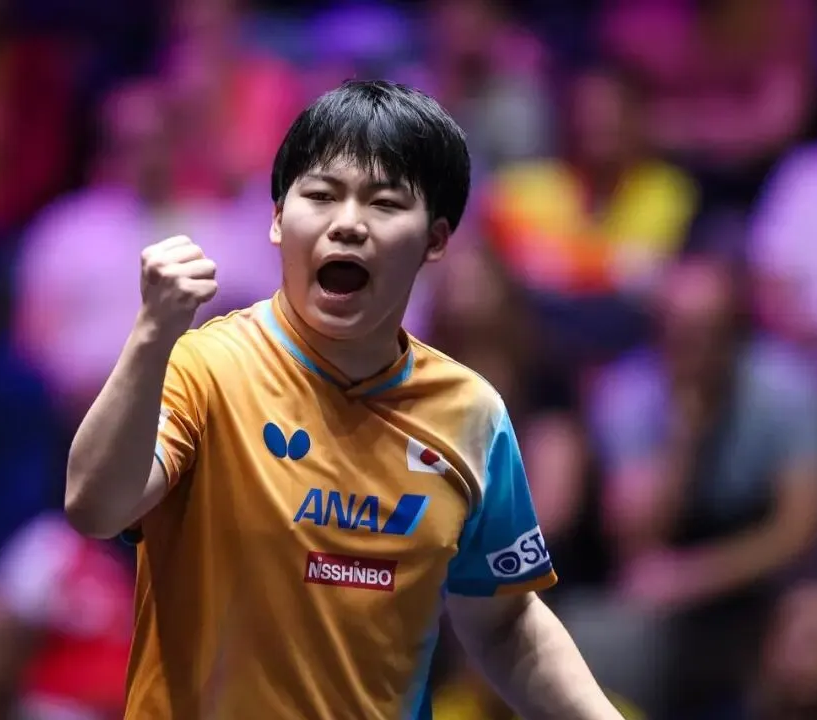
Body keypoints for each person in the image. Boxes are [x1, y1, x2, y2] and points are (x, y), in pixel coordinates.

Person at [65, 80, 622, 719]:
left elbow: (505, 621)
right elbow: (95, 506)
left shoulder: (470, 412)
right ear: (278, 219)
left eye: (385, 203)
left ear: (436, 240)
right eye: (322, 195)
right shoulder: (207, 368)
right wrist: (151, 335)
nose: (348, 223)